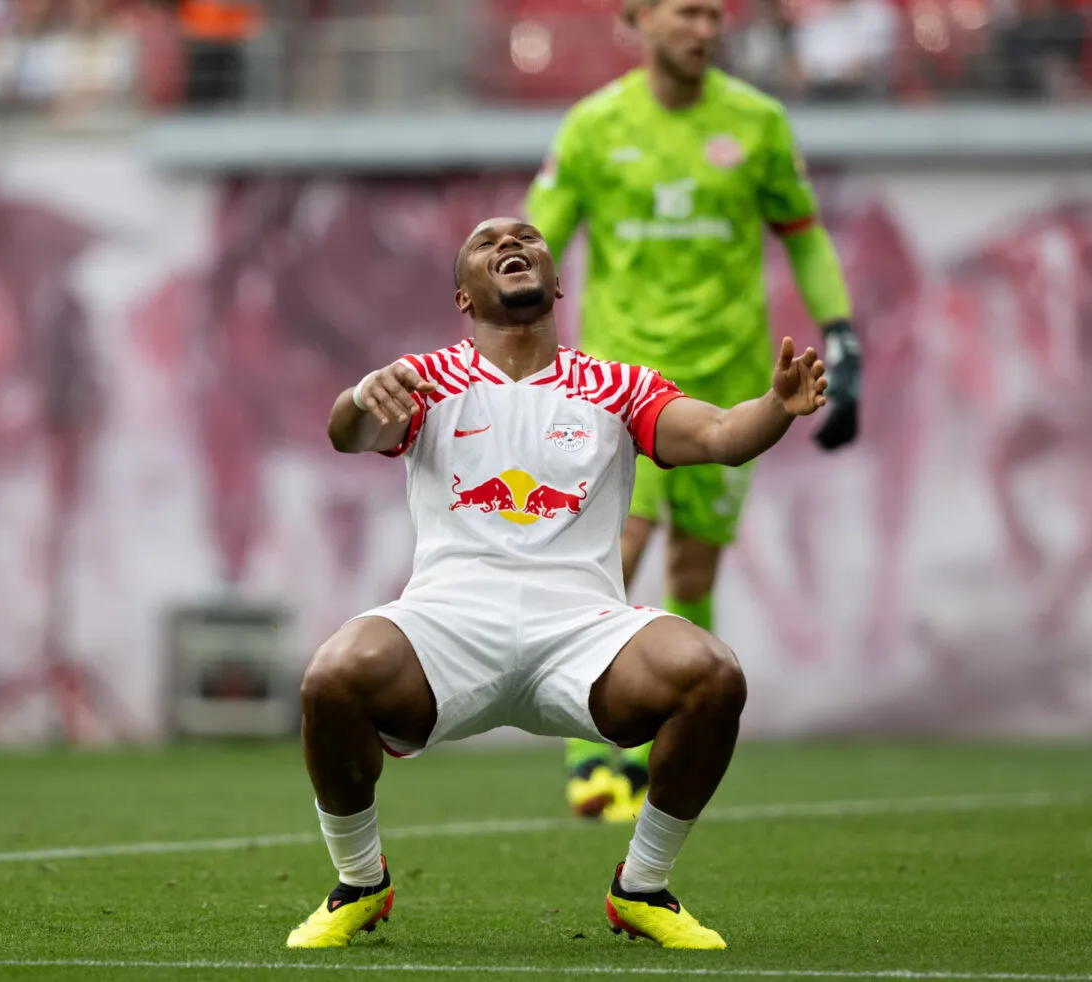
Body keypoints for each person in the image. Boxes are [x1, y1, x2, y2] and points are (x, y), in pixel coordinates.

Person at [288, 216, 829, 950]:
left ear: (556, 280)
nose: (512, 244)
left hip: (583, 630)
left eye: (527, 238)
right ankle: (359, 883)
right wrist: (359, 397)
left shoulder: (614, 387)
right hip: (448, 623)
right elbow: (346, 434)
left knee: (712, 674)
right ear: (462, 298)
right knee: (331, 676)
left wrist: (776, 409)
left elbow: (719, 434)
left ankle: (642, 889)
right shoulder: (424, 380)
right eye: (487, 243)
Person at [524, 0, 861, 822]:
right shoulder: (594, 128)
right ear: (638, 19)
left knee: (695, 570)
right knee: (621, 546)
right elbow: (535, 244)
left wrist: (842, 336)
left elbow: (804, 235)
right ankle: (588, 749)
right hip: (621, 385)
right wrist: (518, 364)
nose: (703, 28)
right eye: (686, 11)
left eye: (715, 13)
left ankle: (661, 744)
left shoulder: (757, 124)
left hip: (726, 388)